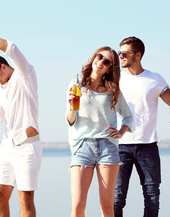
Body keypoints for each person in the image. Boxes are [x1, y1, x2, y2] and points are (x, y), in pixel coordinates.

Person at [0, 27, 42, 217]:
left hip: (27, 147)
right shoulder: (2, 89)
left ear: (3, 66)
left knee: (25, 199)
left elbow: (10, 48)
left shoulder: (24, 75)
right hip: (6, 146)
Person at [114, 37, 170, 217]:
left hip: (148, 146)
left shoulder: (154, 79)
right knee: (117, 197)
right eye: (119, 52)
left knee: (152, 196)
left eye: (125, 53)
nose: (120, 56)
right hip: (119, 146)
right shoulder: (115, 78)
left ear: (137, 55)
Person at [67, 47, 133, 217]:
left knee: (107, 206)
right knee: (77, 206)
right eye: (99, 56)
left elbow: (128, 116)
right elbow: (70, 120)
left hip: (107, 147)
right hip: (82, 146)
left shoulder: (113, 90)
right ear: (94, 57)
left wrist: (120, 132)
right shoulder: (77, 83)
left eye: (106, 61)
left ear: (110, 68)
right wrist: (71, 106)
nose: (101, 61)